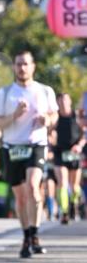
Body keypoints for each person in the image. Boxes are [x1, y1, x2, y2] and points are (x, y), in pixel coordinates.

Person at [0, 51, 58, 258]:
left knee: (33, 187)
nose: (22, 68)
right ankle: (26, 235)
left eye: (26, 64)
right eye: (18, 64)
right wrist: (15, 115)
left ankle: (35, 233)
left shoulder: (45, 91)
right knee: (20, 198)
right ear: (14, 67)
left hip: (36, 144)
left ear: (33, 66)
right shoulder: (4, 93)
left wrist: (46, 120)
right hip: (12, 147)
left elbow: (54, 114)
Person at [53, 92, 84, 223]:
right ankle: (64, 211)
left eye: (65, 100)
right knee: (62, 183)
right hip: (60, 152)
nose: (63, 103)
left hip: (74, 153)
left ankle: (73, 205)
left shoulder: (77, 116)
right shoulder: (55, 117)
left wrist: (80, 145)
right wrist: (51, 138)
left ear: (70, 101)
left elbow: (84, 134)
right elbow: (49, 132)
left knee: (75, 186)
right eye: (60, 101)